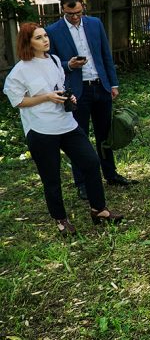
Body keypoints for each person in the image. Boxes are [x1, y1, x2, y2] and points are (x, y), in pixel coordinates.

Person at [4, 22, 124, 235]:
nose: (45, 40)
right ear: (28, 42)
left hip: (66, 123)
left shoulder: (55, 60)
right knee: (51, 177)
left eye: (45, 36)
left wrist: (68, 96)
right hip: (41, 129)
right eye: (39, 38)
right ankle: (60, 219)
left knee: (90, 162)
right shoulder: (20, 70)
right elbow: (18, 101)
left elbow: (58, 86)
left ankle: (99, 210)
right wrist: (46, 97)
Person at [47, 0, 137, 200]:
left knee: (105, 133)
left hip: (101, 86)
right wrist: (68, 65)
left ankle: (110, 173)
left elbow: (106, 53)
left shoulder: (95, 24)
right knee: (79, 138)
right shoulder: (53, 31)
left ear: (83, 6)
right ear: (63, 10)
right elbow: (50, 63)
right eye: (71, 14)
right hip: (77, 91)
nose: (75, 17)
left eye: (78, 12)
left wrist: (113, 83)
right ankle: (82, 182)